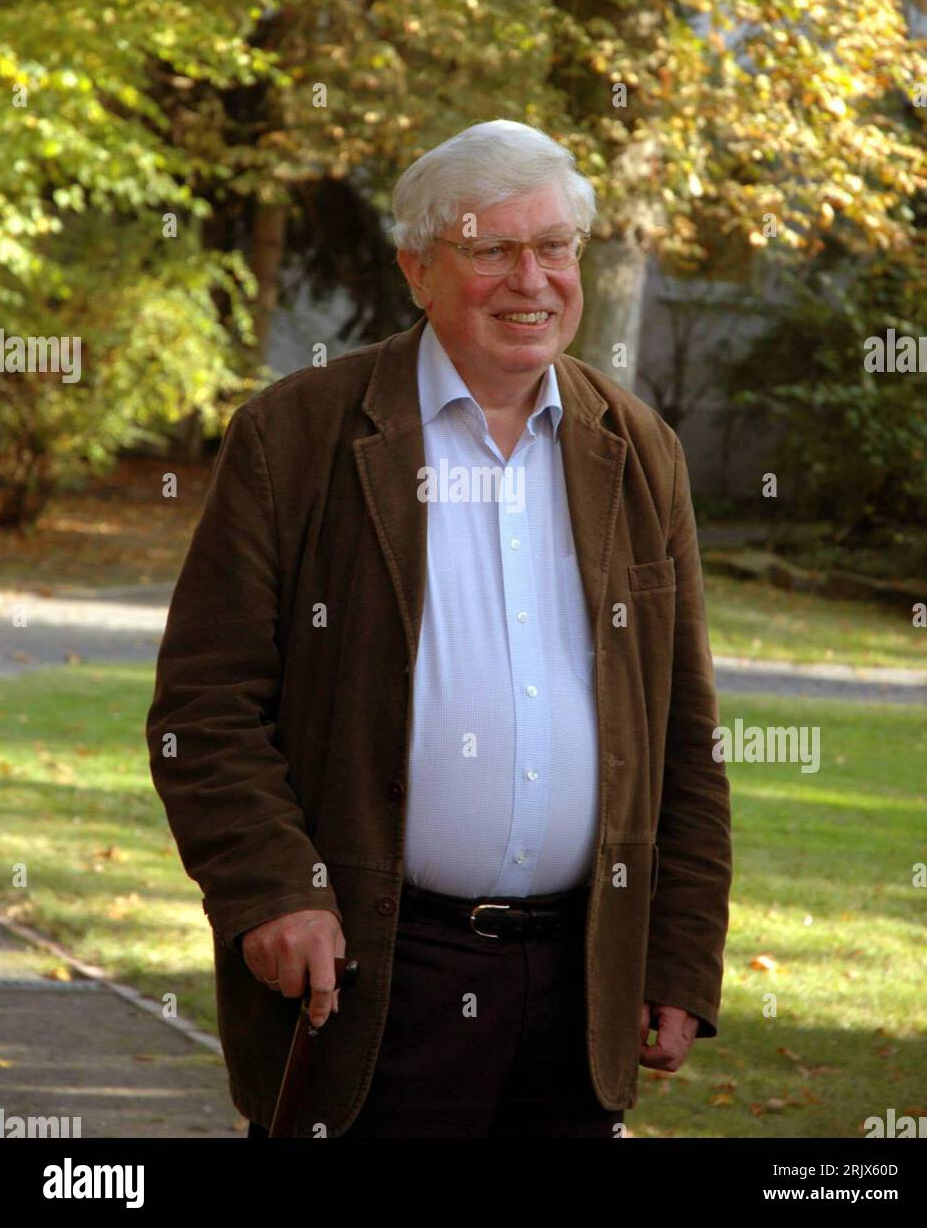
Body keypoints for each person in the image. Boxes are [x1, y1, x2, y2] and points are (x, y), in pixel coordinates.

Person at [146, 118, 732, 1138]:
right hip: (372, 977)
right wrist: (276, 890)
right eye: (491, 248)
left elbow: (683, 731)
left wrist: (677, 957)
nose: (532, 278)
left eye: (553, 246)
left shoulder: (637, 449)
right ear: (417, 268)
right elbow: (204, 709)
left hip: (579, 981)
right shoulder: (296, 437)